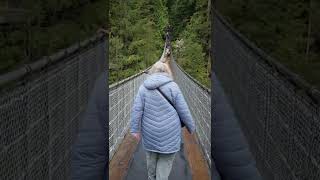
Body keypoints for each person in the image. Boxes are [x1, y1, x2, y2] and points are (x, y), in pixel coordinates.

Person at [130, 61, 195, 180]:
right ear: (167, 72)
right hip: (170, 133)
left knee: (151, 159)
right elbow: (183, 110)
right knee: (165, 164)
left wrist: (134, 130)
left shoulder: (143, 87)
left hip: (150, 132)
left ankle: (151, 178)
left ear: (152, 71)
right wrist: (191, 127)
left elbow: (137, 110)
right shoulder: (173, 86)